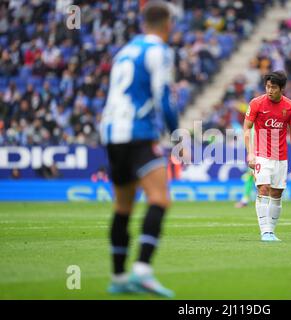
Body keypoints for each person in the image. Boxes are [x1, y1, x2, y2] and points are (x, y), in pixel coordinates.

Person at [99, 1, 178, 298]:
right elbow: (163, 97)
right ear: (167, 24)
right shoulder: (159, 50)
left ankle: (118, 278)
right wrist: (175, 132)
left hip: (111, 132)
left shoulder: (125, 51)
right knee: (160, 198)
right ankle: (143, 271)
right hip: (138, 132)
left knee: (123, 207)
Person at [243, 71, 291, 242]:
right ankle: (265, 231)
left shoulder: (290, 106)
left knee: (277, 193)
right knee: (263, 188)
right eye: (267, 86)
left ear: (282, 88)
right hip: (260, 154)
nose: (269, 90)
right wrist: (250, 153)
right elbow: (246, 128)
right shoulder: (256, 103)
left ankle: (271, 232)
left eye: (273, 87)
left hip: (281, 156)